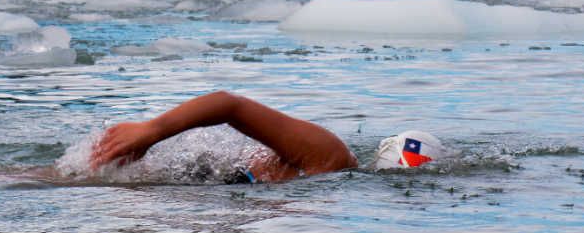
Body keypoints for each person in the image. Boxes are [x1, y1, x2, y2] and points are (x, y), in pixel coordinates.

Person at [89, 90, 444, 183]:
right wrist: (149, 132)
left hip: (212, 185)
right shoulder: (330, 156)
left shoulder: (334, 177)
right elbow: (229, 106)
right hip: (206, 175)